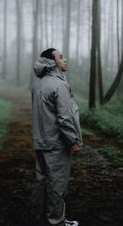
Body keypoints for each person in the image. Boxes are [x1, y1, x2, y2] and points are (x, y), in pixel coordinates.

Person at [31, 48, 83, 226]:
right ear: (52, 63)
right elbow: (64, 118)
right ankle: (57, 222)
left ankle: (44, 220)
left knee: (43, 184)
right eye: (61, 57)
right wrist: (73, 141)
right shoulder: (58, 85)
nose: (65, 59)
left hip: (41, 141)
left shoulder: (38, 83)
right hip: (57, 144)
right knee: (57, 186)